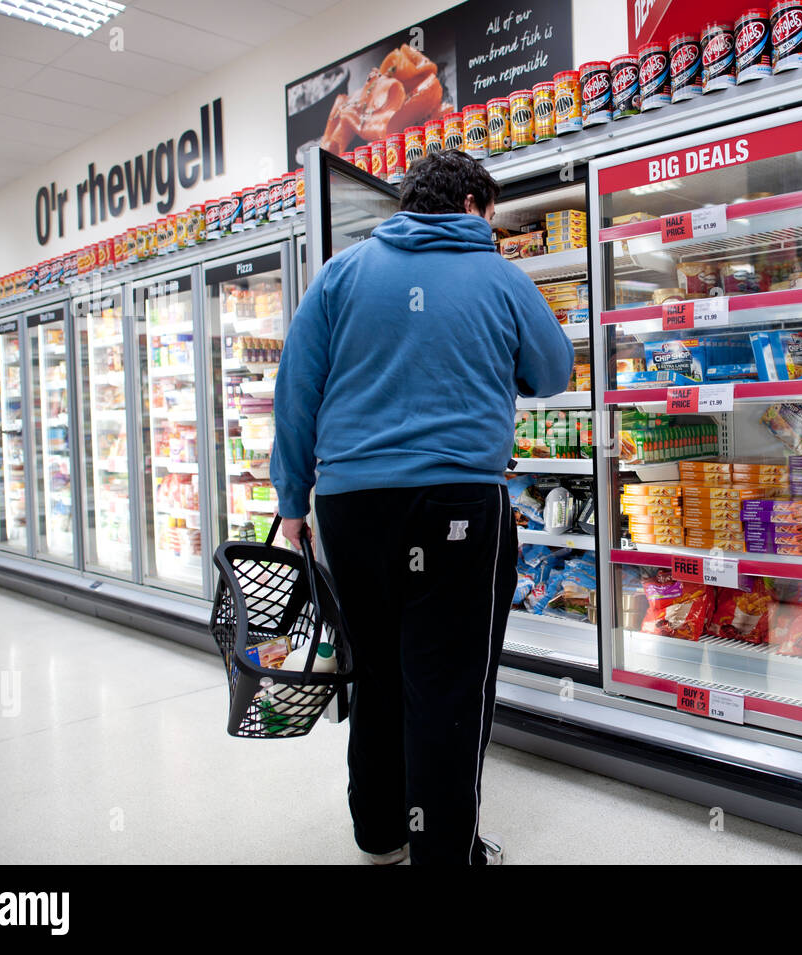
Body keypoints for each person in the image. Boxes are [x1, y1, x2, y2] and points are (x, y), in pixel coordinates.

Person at [270, 150, 574, 865]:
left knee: (375, 672)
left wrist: (291, 500)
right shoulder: (499, 275)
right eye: (492, 217)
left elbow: (296, 389)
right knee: (448, 686)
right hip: (458, 505)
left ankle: (380, 834)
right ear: (473, 204)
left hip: (351, 507)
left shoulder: (342, 273)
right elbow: (554, 371)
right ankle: (444, 852)